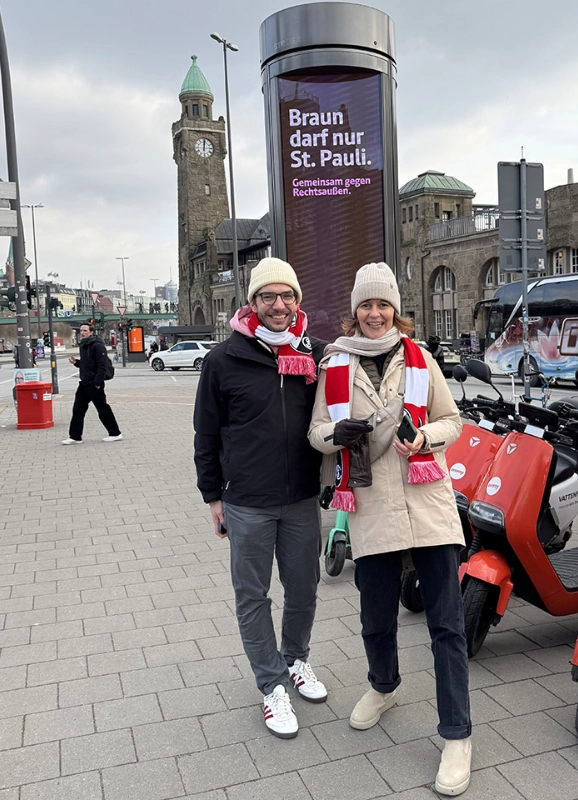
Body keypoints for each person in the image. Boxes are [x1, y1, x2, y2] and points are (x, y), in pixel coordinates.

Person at [308, 262, 472, 796]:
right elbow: (315, 432)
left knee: (446, 625)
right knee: (375, 616)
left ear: (394, 310)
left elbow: (453, 420)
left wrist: (425, 438)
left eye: (383, 305)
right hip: (371, 505)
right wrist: (337, 433)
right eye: (366, 305)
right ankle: (383, 686)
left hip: (428, 503)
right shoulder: (335, 363)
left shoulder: (420, 357)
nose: (375, 314)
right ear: (355, 311)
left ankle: (457, 735)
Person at [194, 257, 328, 739]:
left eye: (286, 295)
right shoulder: (223, 359)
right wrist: (212, 496)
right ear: (252, 303)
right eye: (267, 296)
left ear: (297, 301)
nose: (278, 305)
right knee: (253, 596)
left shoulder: (314, 354)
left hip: (301, 498)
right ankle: (271, 685)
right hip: (246, 501)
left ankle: (295, 660)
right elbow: (206, 433)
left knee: (304, 588)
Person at [62, 322, 122, 445]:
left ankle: (115, 433)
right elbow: (87, 364)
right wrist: (76, 363)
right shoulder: (84, 345)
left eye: (85, 330)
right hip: (84, 383)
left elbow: (102, 365)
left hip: (94, 383)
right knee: (78, 410)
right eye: (81, 330)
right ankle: (75, 437)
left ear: (91, 332)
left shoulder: (97, 346)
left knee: (102, 409)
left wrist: (97, 383)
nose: (82, 333)